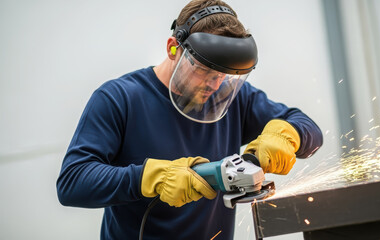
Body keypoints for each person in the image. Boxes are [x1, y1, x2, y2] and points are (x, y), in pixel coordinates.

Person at [56, 0, 323, 239]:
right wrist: (152, 178)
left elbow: (309, 128)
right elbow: (72, 182)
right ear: (174, 48)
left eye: (224, 76)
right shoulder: (119, 98)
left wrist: (286, 136)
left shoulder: (231, 98)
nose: (215, 84)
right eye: (205, 71)